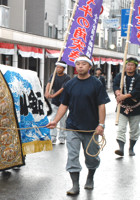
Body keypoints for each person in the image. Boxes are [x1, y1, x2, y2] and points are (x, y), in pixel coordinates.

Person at [46, 55, 110, 195]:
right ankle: (75, 185)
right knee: (72, 156)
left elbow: (101, 105)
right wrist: (55, 121)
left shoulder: (96, 83)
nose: (80, 66)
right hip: (72, 127)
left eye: (83, 64)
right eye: (78, 64)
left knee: (92, 157)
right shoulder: (70, 84)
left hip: (92, 128)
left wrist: (101, 125)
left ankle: (90, 177)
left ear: (89, 67)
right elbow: (64, 105)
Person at [113, 57, 140, 157]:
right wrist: (118, 93)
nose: (129, 67)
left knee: (134, 130)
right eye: (127, 65)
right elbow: (115, 85)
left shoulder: (138, 78)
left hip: (136, 108)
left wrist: (125, 96)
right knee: (121, 128)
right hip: (122, 107)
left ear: (135, 67)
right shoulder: (120, 76)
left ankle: (131, 148)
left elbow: (137, 90)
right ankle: (121, 148)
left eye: (131, 65)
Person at [45, 60, 71, 144]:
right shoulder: (53, 75)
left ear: (63, 68)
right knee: (53, 119)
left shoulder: (67, 77)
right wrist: (46, 92)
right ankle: (53, 137)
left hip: (64, 101)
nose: (58, 69)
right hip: (55, 102)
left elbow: (62, 88)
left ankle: (62, 137)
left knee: (63, 120)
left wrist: (53, 95)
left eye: (60, 67)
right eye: (57, 67)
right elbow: (49, 83)